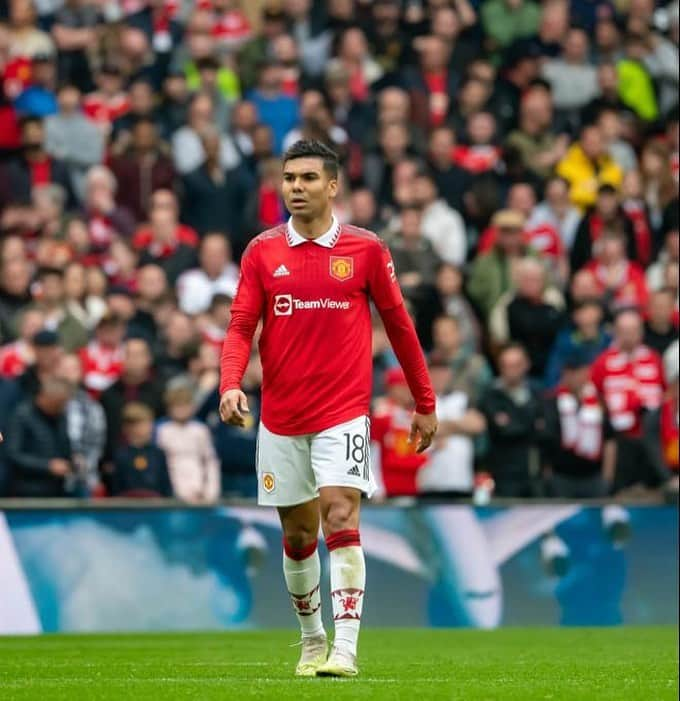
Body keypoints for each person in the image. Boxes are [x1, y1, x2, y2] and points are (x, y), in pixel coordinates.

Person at [219, 140, 437, 677]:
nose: (295, 187)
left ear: (333, 186)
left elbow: (401, 326)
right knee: (297, 536)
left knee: (340, 514)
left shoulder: (365, 249)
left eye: (308, 178)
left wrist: (423, 400)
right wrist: (229, 383)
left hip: (343, 412)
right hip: (281, 419)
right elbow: (242, 325)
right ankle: (312, 638)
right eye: (289, 178)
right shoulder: (261, 251)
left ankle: (346, 649)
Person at [542, 350, 617, 498]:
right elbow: (545, 441)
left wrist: (607, 476)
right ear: (566, 374)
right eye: (575, 373)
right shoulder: (551, 402)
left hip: (593, 477)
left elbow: (610, 440)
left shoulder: (598, 404)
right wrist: (548, 474)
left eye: (584, 373)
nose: (581, 378)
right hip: (562, 476)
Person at [5, 377, 74, 497]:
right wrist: (47, 466)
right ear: (44, 397)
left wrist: (72, 460)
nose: (60, 408)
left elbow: (64, 446)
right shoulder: (22, 416)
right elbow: (12, 454)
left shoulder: (60, 417)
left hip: (57, 489)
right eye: (57, 404)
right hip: (28, 491)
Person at [156, 383, 221, 504]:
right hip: (172, 491)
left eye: (185, 405)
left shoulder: (200, 430)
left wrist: (211, 493)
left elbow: (210, 462)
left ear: (192, 407)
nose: (181, 410)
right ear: (169, 408)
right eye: (177, 406)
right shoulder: (162, 431)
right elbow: (160, 464)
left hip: (200, 490)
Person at [111, 402, 173, 498]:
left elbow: (166, 485)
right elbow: (116, 487)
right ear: (127, 428)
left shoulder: (158, 454)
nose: (145, 428)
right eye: (138, 424)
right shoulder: (121, 455)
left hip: (156, 507)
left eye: (148, 423)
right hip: (128, 507)